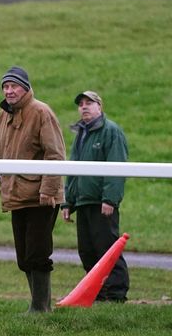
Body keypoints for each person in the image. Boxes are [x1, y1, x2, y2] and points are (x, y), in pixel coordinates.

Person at [0, 66, 65, 313]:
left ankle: (40, 308)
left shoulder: (42, 112)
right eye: (6, 86)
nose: (9, 91)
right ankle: (40, 306)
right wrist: (0, 177)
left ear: (25, 88)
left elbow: (55, 155)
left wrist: (49, 190)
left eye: (14, 86)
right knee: (24, 257)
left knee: (38, 253)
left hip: (41, 197)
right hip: (16, 194)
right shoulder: (3, 114)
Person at [62, 90, 129, 302]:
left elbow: (117, 166)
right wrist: (68, 202)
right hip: (83, 202)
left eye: (89, 103)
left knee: (107, 250)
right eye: (81, 103)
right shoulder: (81, 134)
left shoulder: (111, 131)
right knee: (87, 251)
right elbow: (74, 170)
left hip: (102, 204)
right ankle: (97, 293)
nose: (84, 107)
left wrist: (109, 199)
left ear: (100, 106)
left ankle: (116, 294)